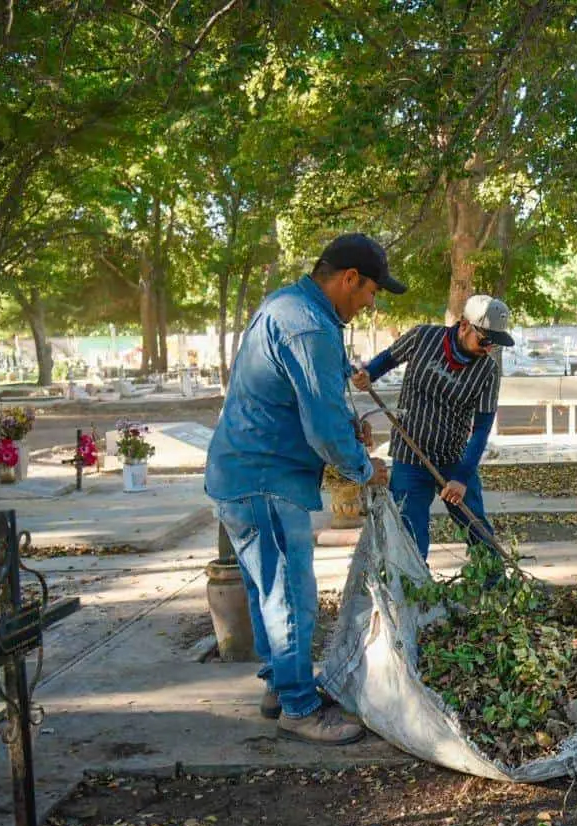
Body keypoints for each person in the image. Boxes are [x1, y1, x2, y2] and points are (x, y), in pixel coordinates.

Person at [205, 233, 405, 746]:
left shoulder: (290, 306)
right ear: (349, 279)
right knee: (291, 597)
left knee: (265, 589)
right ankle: (299, 708)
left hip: (242, 475)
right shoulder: (309, 326)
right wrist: (365, 468)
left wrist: (351, 417)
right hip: (266, 478)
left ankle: (280, 685)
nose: (369, 303)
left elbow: (323, 395)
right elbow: (321, 428)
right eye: (370, 292)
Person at [352, 294, 514, 563]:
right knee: (410, 538)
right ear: (464, 325)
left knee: (478, 530)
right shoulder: (422, 338)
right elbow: (386, 361)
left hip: (455, 460)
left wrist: (462, 477)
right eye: (484, 340)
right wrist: (368, 375)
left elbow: (482, 427)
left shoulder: (489, 371)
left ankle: (496, 589)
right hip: (410, 459)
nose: (488, 349)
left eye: (495, 344)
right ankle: (415, 596)